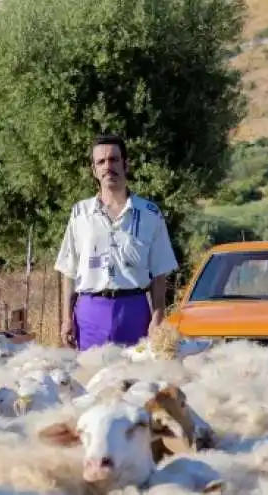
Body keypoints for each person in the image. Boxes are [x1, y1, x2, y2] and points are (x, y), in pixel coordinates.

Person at [54, 134, 179, 351]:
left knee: (136, 381)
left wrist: (158, 315)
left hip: (134, 312)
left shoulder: (150, 214)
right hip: (90, 315)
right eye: (100, 162)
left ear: (126, 164)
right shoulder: (80, 213)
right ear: (94, 170)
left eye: (113, 160)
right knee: (90, 380)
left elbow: (160, 272)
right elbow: (69, 270)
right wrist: (66, 319)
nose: (107, 166)